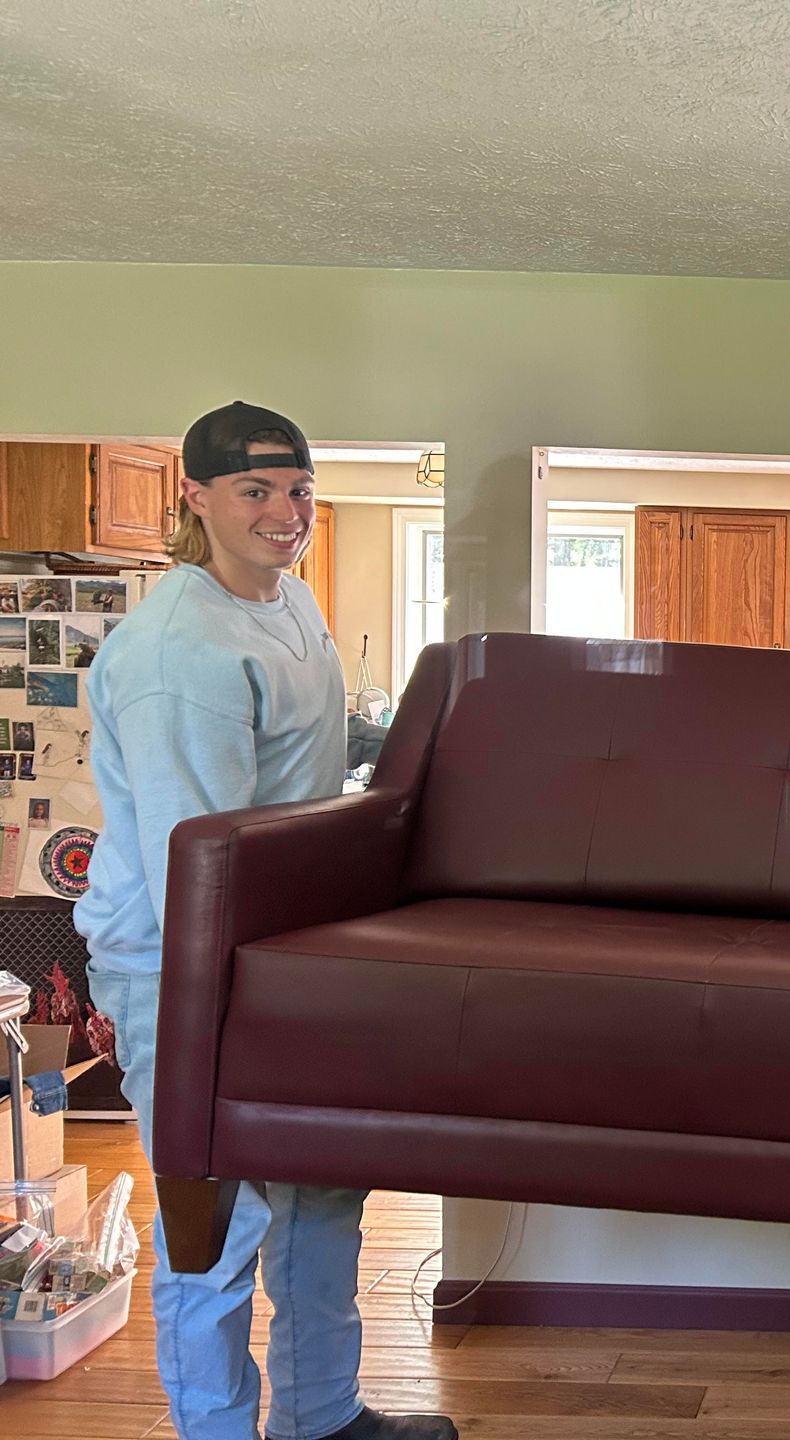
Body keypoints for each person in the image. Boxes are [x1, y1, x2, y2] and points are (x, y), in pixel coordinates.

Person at [76, 401, 456, 1440]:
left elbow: (304, 762)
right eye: (256, 490)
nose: (286, 512)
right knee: (218, 1218)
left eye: (299, 490)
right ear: (195, 497)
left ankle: (320, 1417)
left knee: (322, 1189)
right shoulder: (178, 654)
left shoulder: (287, 600)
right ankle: (215, 1429)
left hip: (285, 951)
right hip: (183, 965)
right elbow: (195, 861)